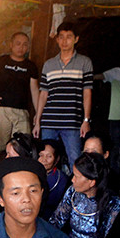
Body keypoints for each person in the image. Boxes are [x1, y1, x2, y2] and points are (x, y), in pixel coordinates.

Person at [33, 22, 94, 172]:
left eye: (69, 37)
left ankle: (75, 193)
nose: (64, 41)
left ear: (76, 39)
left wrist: (86, 120)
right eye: (61, 37)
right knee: (45, 159)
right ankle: (48, 192)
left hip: (72, 121)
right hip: (49, 120)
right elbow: (44, 93)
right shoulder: (49, 64)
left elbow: (87, 92)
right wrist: (37, 120)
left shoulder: (84, 62)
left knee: (75, 159)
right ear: (57, 40)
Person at [0, 32, 40, 161]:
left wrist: (38, 114)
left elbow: (34, 90)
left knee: (24, 146)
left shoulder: (30, 66)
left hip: (22, 111)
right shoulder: (0, 61)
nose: (21, 47)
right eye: (18, 44)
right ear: (11, 45)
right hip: (1, 110)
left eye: (25, 45)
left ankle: (18, 177)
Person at [50, 152, 120, 238]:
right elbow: (56, 221)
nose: (72, 180)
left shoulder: (113, 205)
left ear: (91, 182)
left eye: (76, 176)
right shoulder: (73, 192)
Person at [36, 138, 70, 220]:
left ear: (57, 159)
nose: (44, 160)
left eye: (49, 156)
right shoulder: (31, 174)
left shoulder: (61, 179)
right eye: (41, 155)